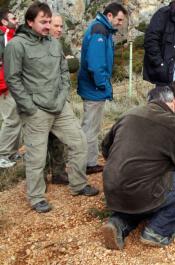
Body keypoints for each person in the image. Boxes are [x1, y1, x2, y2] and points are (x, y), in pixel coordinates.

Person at [4, 2, 99, 213]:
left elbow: (64, 72)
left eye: (49, 22)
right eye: (43, 22)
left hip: (60, 106)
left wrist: (64, 95)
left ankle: (78, 184)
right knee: (36, 156)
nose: (48, 26)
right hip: (36, 110)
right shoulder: (16, 45)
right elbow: (13, 79)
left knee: (79, 141)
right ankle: (36, 196)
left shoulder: (54, 43)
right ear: (30, 22)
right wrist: (29, 107)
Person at [100, 86, 175, 250]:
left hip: (112, 191)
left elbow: (106, 149)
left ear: (149, 101)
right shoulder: (174, 124)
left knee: (143, 185)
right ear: (171, 102)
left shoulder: (128, 115)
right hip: (142, 191)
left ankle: (118, 222)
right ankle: (158, 230)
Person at [77, 3, 127, 175]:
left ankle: (89, 161)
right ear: (110, 16)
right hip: (93, 89)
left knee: (92, 126)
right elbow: (96, 65)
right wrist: (103, 85)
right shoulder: (100, 30)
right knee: (90, 128)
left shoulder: (101, 29)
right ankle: (85, 164)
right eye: (119, 19)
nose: (120, 23)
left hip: (93, 88)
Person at [44, 13, 69, 185]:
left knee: (59, 139)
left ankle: (59, 173)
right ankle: (41, 177)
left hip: (60, 99)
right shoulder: (36, 45)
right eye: (56, 26)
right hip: (41, 102)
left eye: (61, 26)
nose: (59, 30)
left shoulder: (61, 44)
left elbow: (73, 65)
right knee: (40, 142)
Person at [0, 9, 20, 168]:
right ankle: (2, 155)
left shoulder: (11, 35)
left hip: (13, 85)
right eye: (14, 18)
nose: (17, 20)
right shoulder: (4, 37)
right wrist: (4, 86)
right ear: (4, 21)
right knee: (11, 120)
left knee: (16, 118)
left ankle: (12, 152)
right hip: (6, 87)